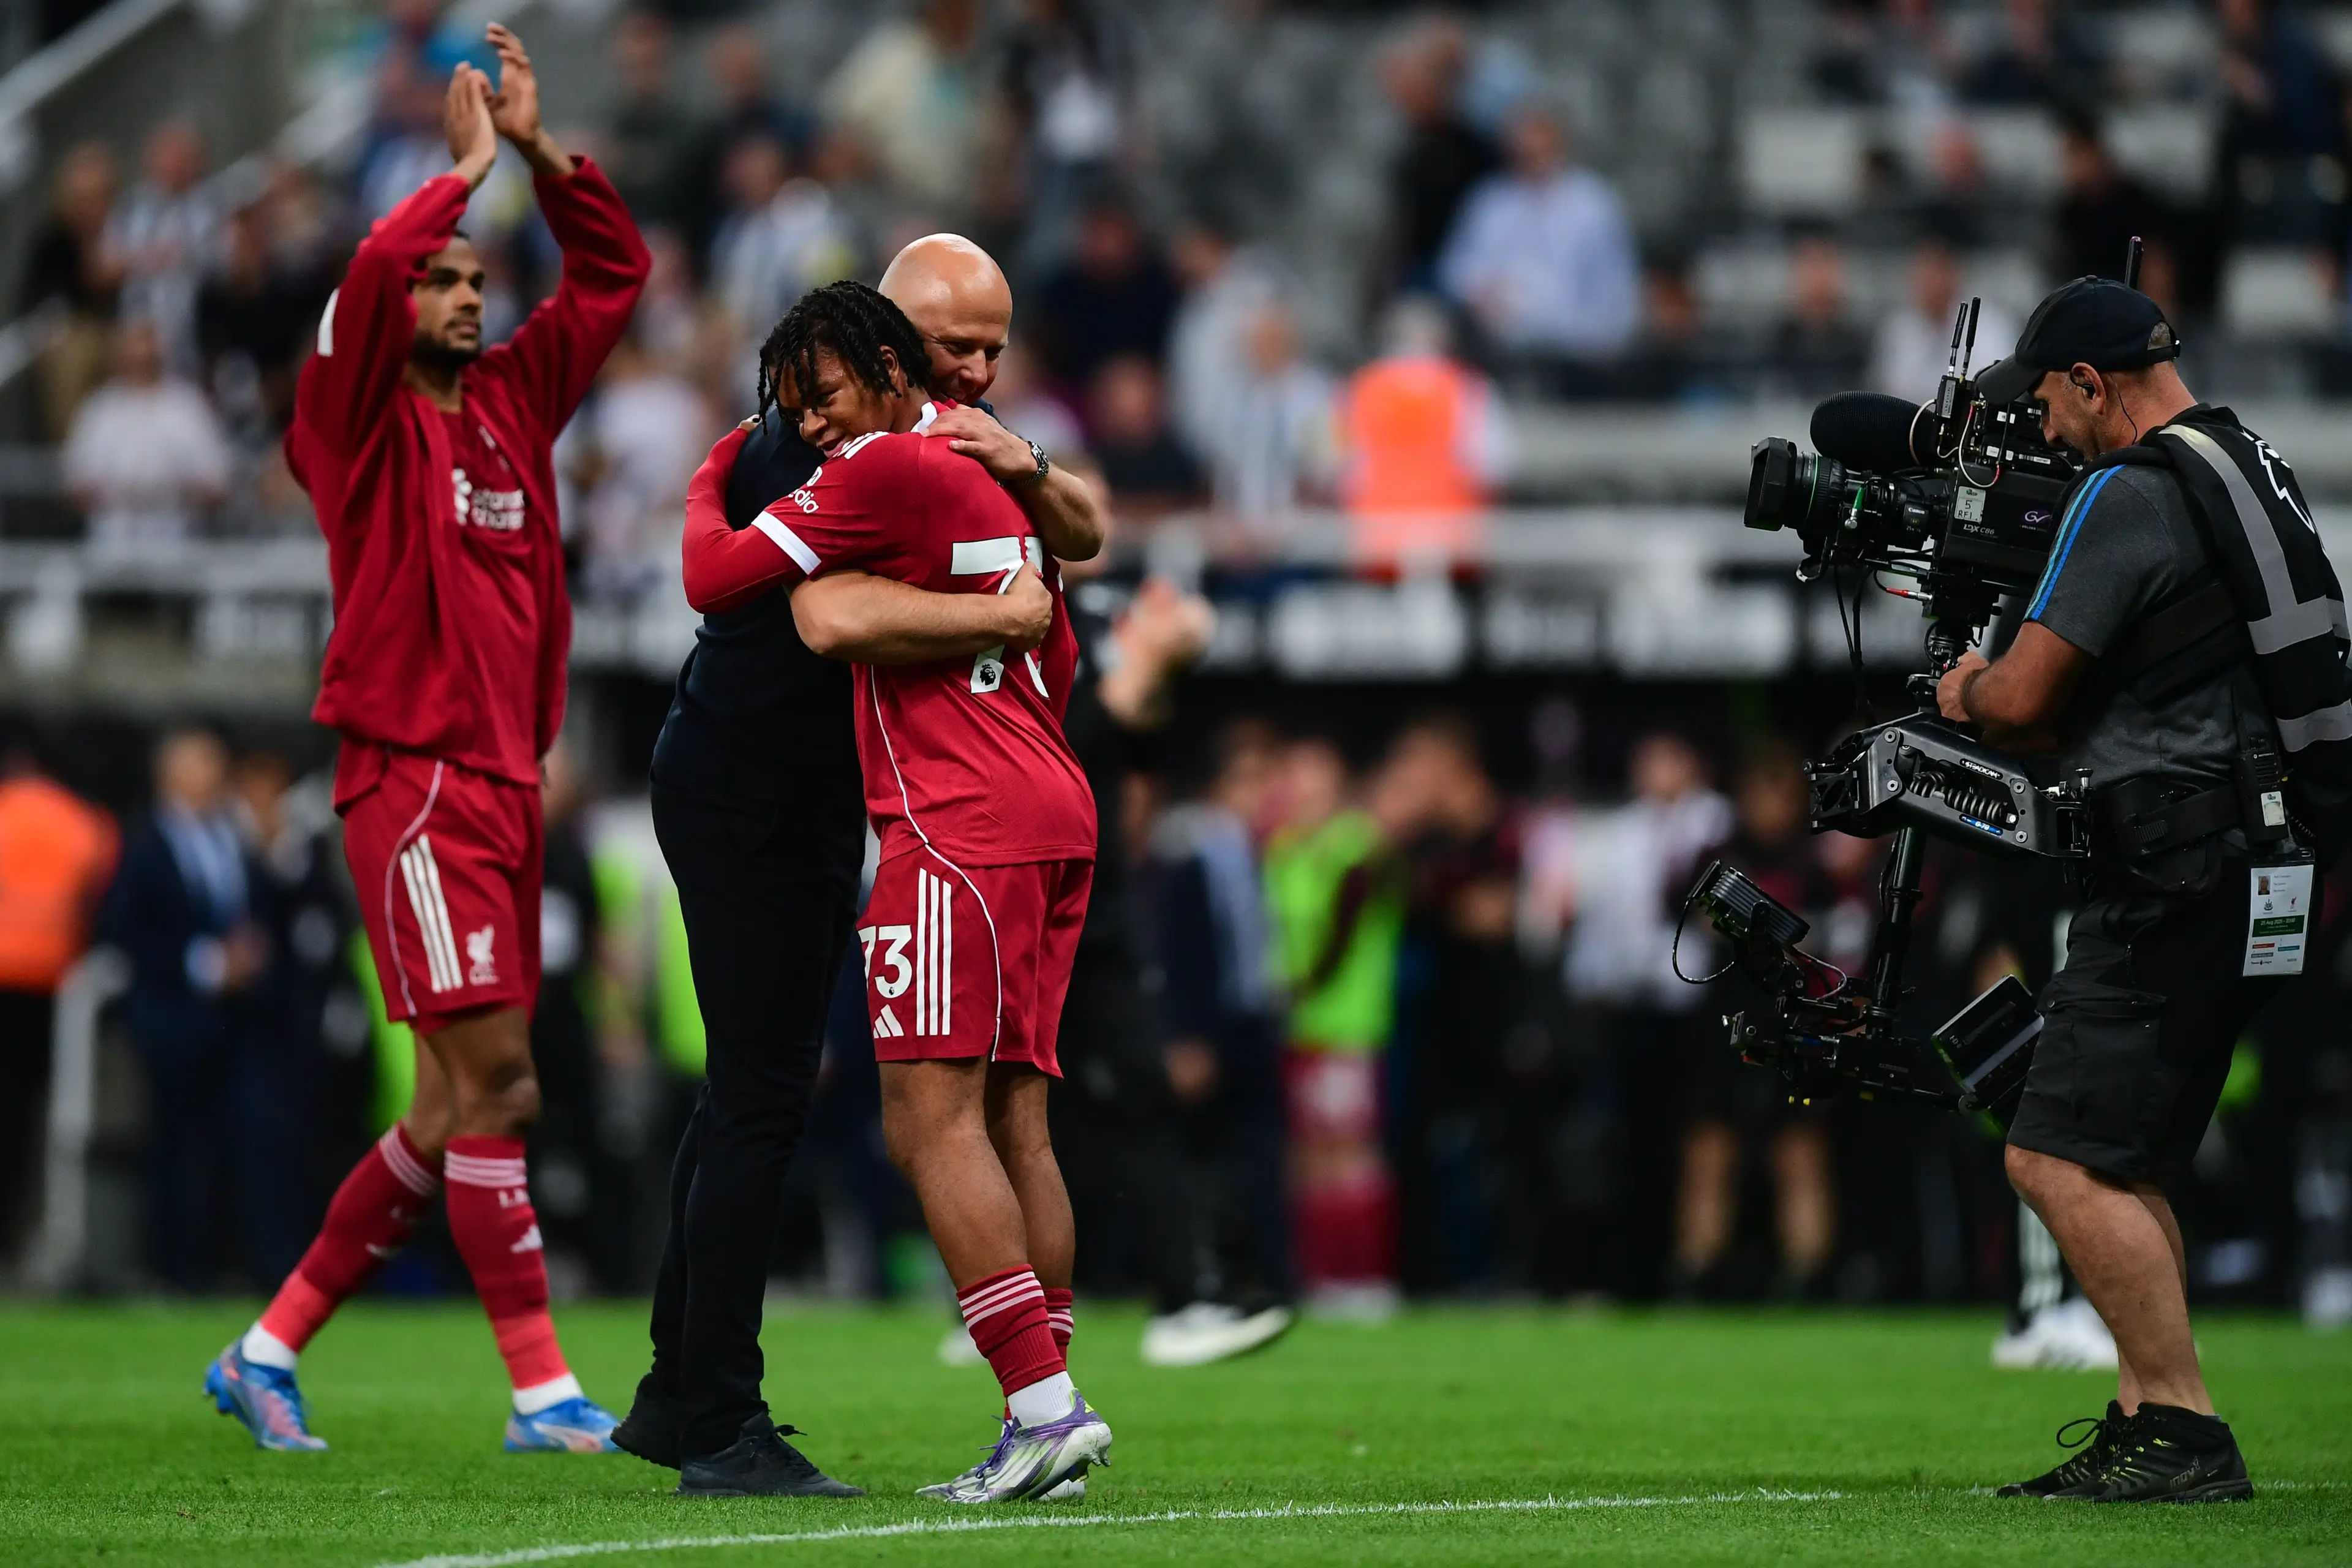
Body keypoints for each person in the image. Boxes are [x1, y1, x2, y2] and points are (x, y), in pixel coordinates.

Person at [206, 26, 650, 1454]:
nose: (463, 295)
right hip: (411, 782)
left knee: (456, 1105)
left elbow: (616, 274)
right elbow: (362, 279)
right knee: (502, 1082)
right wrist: (457, 176)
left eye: (474, 281)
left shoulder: (515, 400)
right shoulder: (347, 421)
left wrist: (538, 151)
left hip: (508, 784)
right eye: (440, 280)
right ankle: (541, 1388)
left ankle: (266, 1348)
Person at [619, 233, 1104, 1499]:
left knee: (876, 1111)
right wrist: (1008, 593)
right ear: (890, 343)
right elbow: (1073, 555)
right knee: (788, 1098)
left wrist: (705, 480)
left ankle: (1033, 1409)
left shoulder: (928, 452)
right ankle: (702, 1400)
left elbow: (816, 609)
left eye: (995, 347)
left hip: (933, 812)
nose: (979, 370)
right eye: (956, 346)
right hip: (798, 796)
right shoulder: (907, 449)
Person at [1938, 276, 2345, 1501]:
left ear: (2090, 382)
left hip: (2172, 863)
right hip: (2259, 860)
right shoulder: (2245, 459)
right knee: (2124, 1159)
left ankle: (2182, 1424)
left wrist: (1965, 685)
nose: (2045, 431)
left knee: (2051, 1156)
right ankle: (2146, 1417)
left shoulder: (2130, 488)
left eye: (2049, 405)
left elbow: (2020, 701)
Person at [103, 729, 273, 1291]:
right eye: (203, 764)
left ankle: (216, 1264)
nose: (215, 774)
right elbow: (125, 929)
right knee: (172, 1146)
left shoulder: (232, 839)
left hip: (233, 1023)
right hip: (171, 1019)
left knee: (228, 1145)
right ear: (170, 775)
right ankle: (168, 1268)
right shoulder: (142, 844)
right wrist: (206, 963)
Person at [1264, 736, 1408, 1317]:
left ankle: (1366, 1276)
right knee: (1310, 1158)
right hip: (1299, 1029)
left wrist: (1298, 988)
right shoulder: (1284, 850)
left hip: (1348, 1026)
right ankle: (1323, 1276)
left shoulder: (1358, 846)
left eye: (1314, 775)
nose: (1303, 789)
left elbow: (1341, 936)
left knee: (1352, 1155)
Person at [0, 743, 116, 1261]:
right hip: (53, 986)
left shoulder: (6, 810)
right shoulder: (81, 821)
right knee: (31, 1118)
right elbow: (101, 896)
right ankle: (18, 1230)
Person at [1436, 105, 1640, 383]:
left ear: (1559, 147)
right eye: (1524, 152)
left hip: (1576, 349)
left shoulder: (1593, 206)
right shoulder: (1492, 202)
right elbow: (1456, 269)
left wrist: (1598, 339)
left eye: (1540, 150)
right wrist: (1483, 290)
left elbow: (1615, 285)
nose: (1532, 159)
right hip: (1501, 345)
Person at [61, 318, 232, 552]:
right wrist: (122, 492)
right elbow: (77, 486)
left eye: (148, 352)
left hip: (177, 543)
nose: (140, 359)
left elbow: (217, 486)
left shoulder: (188, 407)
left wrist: (170, 489)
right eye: (133, 351)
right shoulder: (99, 409)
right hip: (112, 545)